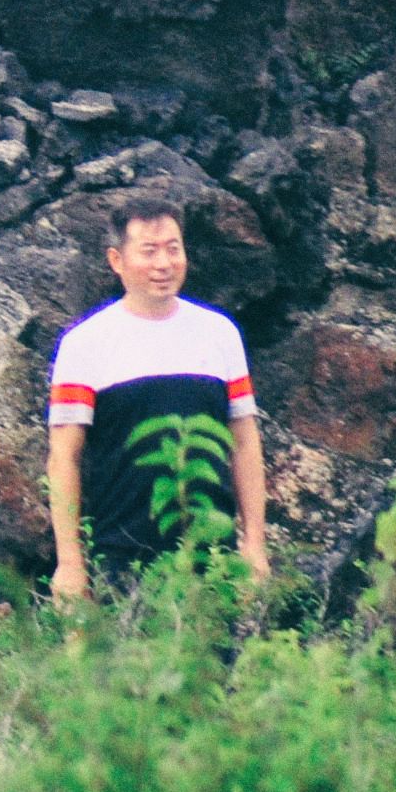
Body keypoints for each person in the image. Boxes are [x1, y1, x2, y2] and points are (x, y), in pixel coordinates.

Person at [46, 197, 268, 597]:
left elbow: (245, 442)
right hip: (121, 555)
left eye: (173, 248)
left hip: (210, 556)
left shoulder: (220, 334)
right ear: (117, 260)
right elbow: (64, 457)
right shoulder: (84, 344)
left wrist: (253, 543)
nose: (163, 264)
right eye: (148, 252)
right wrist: (70, 561)